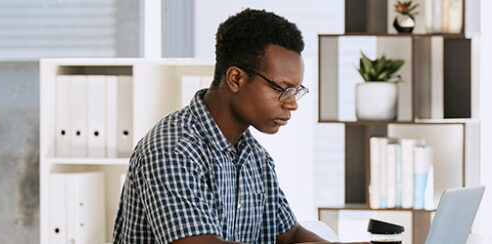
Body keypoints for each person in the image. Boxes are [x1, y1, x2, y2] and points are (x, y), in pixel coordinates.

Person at [112, 9, 365, 244]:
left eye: (296, 92)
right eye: (282, 89)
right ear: (236, 79)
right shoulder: (173, 149)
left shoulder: (256, 158)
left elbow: (289, 236)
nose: (292, 105)